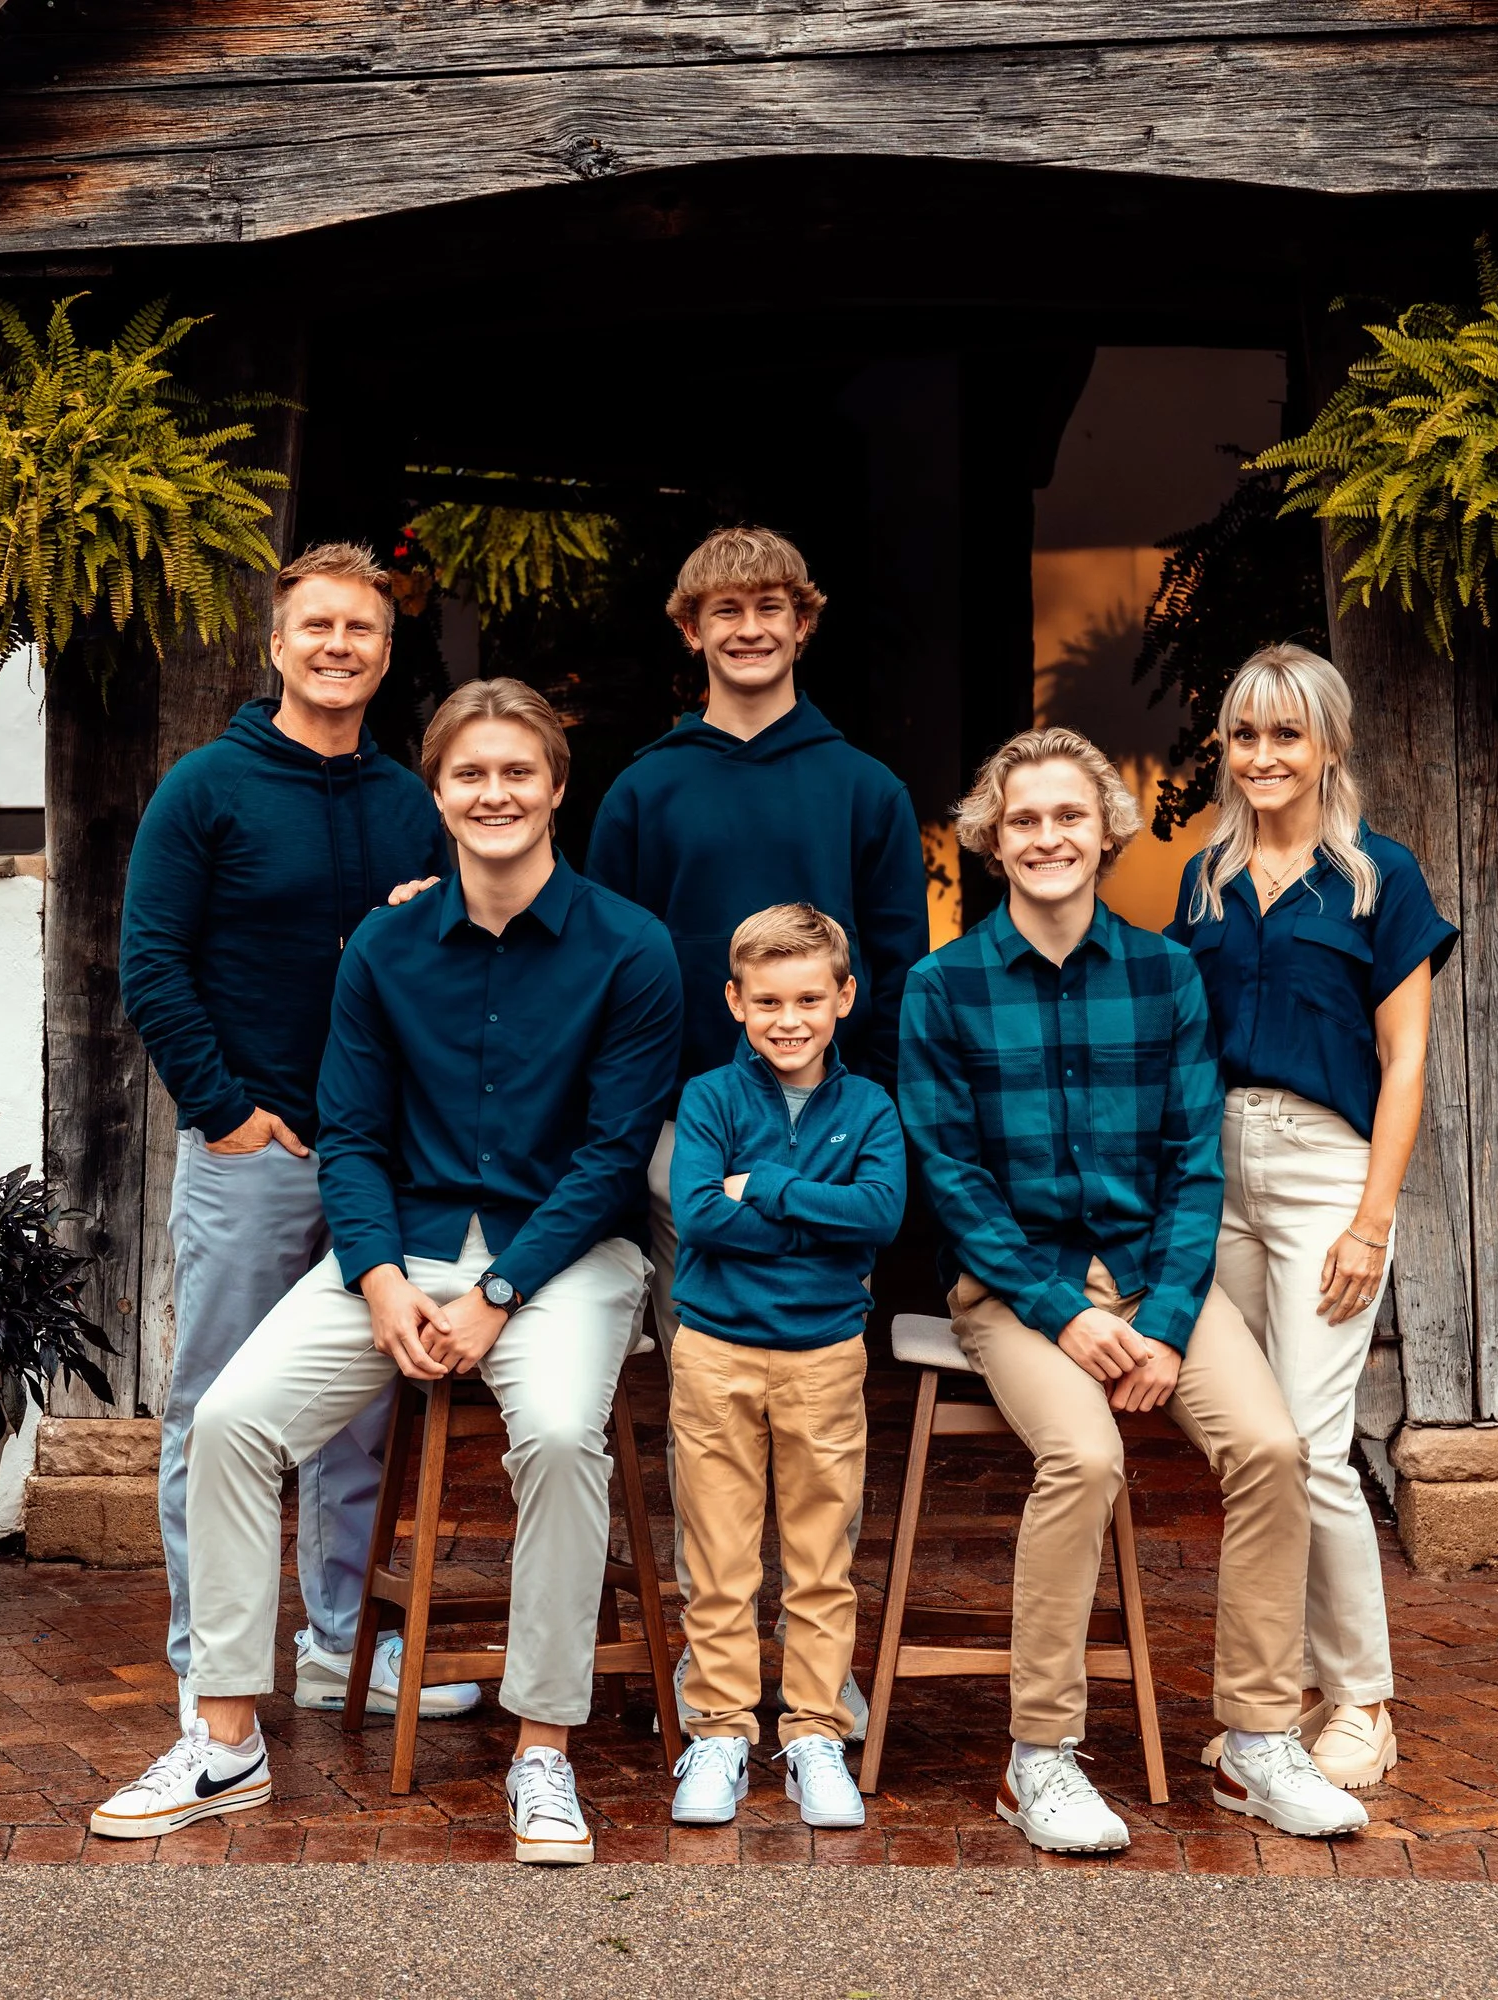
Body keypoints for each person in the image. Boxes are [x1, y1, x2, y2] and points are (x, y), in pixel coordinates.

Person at [90, 678, 682, 1864]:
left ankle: (542, 1751)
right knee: (232, 1421)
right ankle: (223, 1736)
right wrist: (377, 1280)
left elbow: (615, 1151)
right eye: (471, 774)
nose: (495, 792)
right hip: (400, 1249)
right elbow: (351, 1134)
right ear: (440, 795)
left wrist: (498, 1291)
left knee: (563, 1434)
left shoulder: (633, 947)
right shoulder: (385, 945)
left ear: (558, 788)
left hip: (559, 1257)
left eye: (519, 771)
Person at [896, 726, 1368, 1854]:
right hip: (1017, 1288)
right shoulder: (942, 984)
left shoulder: (1164, 973)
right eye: (1022, 820)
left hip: (1155, 1275)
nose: (1046, 836)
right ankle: (1040, 1759)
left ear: (1106, 829)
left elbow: (1192, 1163)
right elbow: (950, 1176)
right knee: (1086, 1456)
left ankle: (1257, 1743)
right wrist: (1067, 1312)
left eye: (1068, 815)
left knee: (1269, 1446)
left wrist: (1157, 1323)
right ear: (990, 841)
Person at [118, 540, 477, 1726]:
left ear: (384, 654)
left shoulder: (405, 801)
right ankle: (203, 1659)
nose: (337, 647)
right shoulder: (205, 787)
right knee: (216, 1407)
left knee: (358, 1413)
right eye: (316, 627)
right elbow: (151, 967)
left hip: (379, 1158)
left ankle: (342, 1642)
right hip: (255, 1153)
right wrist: (227, 1113)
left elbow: (453, 967)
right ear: (275, 645)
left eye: (360, 631)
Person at [585, 525, 928, 1733]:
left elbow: (896, 962)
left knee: (823, 1414)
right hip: (691, 1123)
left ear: (803, 620)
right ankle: (719, 1670)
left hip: (832, 1128)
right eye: (723, 610)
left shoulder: (863, 786)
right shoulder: (643, 787)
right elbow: (610, 961)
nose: (748, 626)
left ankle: (816, 1667)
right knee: (712, 1409)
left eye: (771, 605)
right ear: (690, 630)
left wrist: (861, 1117)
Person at [1165, 644, 1455, 1793]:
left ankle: (1363, 1701)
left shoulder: (1381, 878)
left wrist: (1372, 1219)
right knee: (1252, 1441)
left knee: (1318, 1443)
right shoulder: (1205, 876)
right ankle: (1268, 1693)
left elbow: (1408, 1057)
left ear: (1328, 744)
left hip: (1327, 1170)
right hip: (1219, 1165)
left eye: (1286, 734)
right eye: (1244, 734)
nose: (1262, 755)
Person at [663, 904, 906, 1832]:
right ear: (734, 1001)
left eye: (810, 997)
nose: (789, 1018)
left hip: (825, 1358)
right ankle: (719, 1731)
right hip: (716, 1352)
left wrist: (760, 1188)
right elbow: (698, 1215)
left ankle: (813, 1734)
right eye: (767, 1000)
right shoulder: (710, 1100)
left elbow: (881, 1215)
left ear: (845, 997)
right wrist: (818, 1215)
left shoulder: (870, 1106)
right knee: (719, 1558)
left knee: (819, 1558)